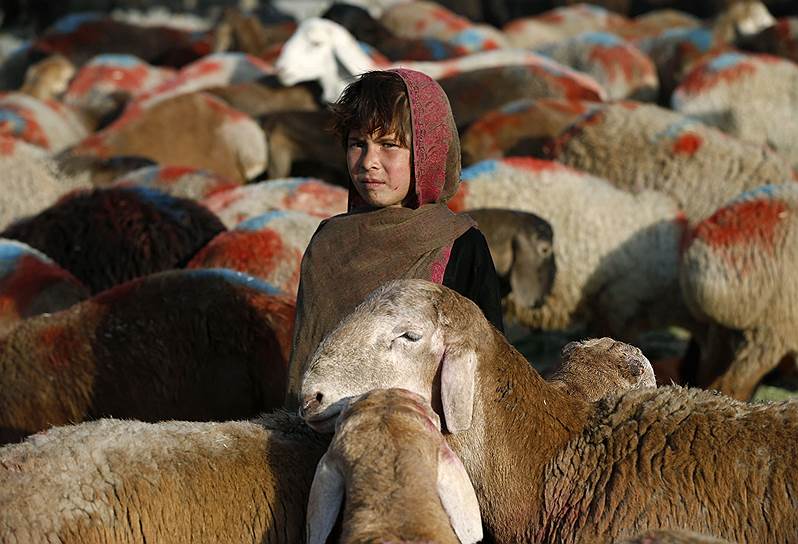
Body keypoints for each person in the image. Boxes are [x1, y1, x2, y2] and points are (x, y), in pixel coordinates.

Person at [286, 68, 503, 408]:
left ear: (427, 155)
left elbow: (490, 370)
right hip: (324, 435)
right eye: (358, 144)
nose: (369, 162)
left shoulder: (461, 245)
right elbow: (306, 360)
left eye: (389, 145)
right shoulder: (328, 244)